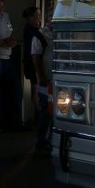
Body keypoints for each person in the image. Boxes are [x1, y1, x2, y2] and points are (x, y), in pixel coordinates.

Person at [0, 0, 22, 134]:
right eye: (1, 1)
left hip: (8, 58)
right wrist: (3, 43)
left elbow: (9, 32)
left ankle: (14, 123)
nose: (4, 4)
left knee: (15, 91)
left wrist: (11, 41)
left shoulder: (6, 16)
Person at [31, 8, 53, 154]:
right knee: (45, 111)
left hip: (58, 80)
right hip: (47, 81)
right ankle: (41, 142)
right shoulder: (40, 35)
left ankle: (51, 140)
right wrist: (42, 77)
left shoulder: (60, 34)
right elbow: (36, 58)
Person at [22, 6, 42, 123]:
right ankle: (38, 113)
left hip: (33, 62)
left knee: (36, 87)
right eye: (37, 15)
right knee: (35, 88)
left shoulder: (35, 29)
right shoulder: (30, 30)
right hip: (31, 62)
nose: (39, 17)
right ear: (30, 17)